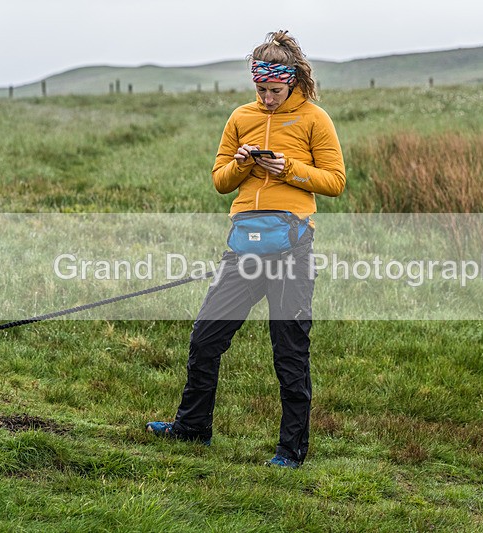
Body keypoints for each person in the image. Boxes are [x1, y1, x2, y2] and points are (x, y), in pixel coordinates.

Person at [147, 30, 345, 468]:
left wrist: (288, 169)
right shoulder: (240, 116)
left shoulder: (315, 118)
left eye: (275, 90)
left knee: (289, 349)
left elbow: (335, 181)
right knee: (205, 338)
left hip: (293, 248)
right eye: (261, 89)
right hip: (242, 247)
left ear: (293, 81)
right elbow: (219, 182)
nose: (268, 98)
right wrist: (240, 164)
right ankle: (191, 429)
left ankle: (290, 451)